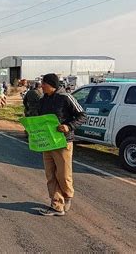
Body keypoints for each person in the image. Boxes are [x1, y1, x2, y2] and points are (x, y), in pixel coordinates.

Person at [38, 73, 87, 216]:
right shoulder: (43, 100)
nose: (41, 86)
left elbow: (82, 116)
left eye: (44, 84)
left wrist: (68, 126)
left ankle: (67, 196)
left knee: (63, 174)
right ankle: (56, 205)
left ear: (51, 85)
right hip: (47, 142)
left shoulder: (66, 97)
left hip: (63, 142)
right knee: (50, 175)